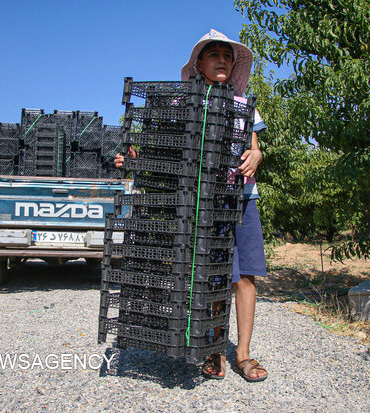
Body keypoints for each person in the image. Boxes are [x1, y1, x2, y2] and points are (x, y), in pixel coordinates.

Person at [114, 29, 268, 382]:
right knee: (213, 277)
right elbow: (159, 146)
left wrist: (256, 154)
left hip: (241, 199)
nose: (222, 60)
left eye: (227, 56)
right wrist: (132, 156)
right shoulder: (179, 103)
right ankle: (214, 350)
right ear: (198, 63)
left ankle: (242, 354)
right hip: (203, 200)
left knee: (244, 276)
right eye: (214, 54)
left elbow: (254, 146)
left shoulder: (245, 104)